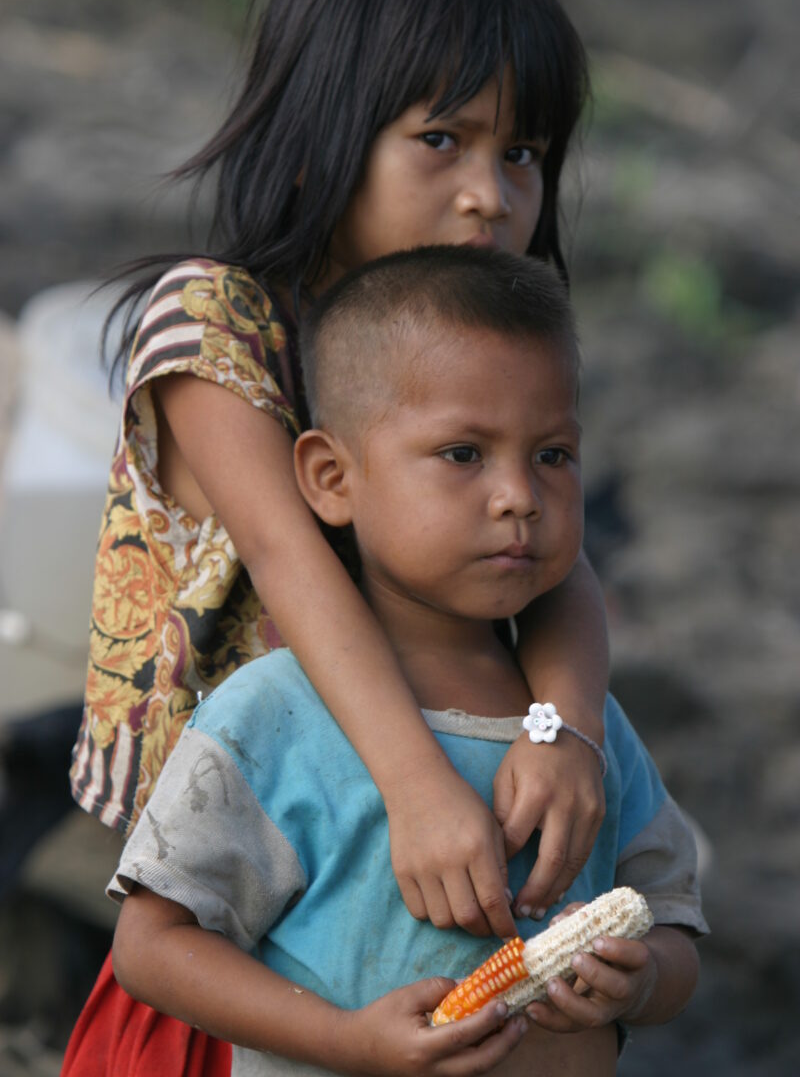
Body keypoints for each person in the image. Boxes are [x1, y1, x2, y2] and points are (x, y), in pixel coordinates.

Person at [65, 0, 610, 1074]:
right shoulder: (218, 321)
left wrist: (560, 729)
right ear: (323, 136)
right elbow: (289, 561)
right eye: (442, 142)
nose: (489, 197)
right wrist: (417, 787)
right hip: (250, 881)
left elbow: (565, 576)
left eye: (518, 156)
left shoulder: (479, 352)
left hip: (421, 880)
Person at [107, 246, 707, 1077]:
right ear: (330, 478)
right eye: (463, 454)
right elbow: (152, 948)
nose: (518, 496)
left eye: (553, 456)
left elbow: (672, 920)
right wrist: (345, 1041)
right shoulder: (274, 714)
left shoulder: (580, 728)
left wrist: (641, 984)